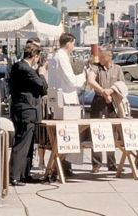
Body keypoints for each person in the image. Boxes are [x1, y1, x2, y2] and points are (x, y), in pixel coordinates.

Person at [8, 43, 48, 186]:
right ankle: (15, 175)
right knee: (23, 143)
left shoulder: (18, 66)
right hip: (26, 111)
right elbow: (42, 87)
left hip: (25, 110)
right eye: (38, 57)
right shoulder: (25, 69)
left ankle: (24, 173)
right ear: (35, 56)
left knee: (29, 144)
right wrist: (42, 73)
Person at [48, 33, 84, 175]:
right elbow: (70, 80)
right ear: (69, 43)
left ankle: (64, 164)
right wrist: (82, 76)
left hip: (60, 99)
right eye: (73, 44)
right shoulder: (61, 57)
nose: (73, 47)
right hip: (66, 100)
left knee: (65, 135)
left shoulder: (55, 56)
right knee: (69, 134)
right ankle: (63, 165)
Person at [86, 46, 124, 172]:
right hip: (98, 102)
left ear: (110, 56)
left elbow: (122, 85)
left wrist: (111, 91)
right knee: (96, 132)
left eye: (103, 57)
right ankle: (96, 164)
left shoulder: (117, 69)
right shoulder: (96, 67)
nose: (100, 59)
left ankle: (112, 163)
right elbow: (90, 81)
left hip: (112, 103)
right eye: (99, 56)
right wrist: (103, 92)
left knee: (112, 133)